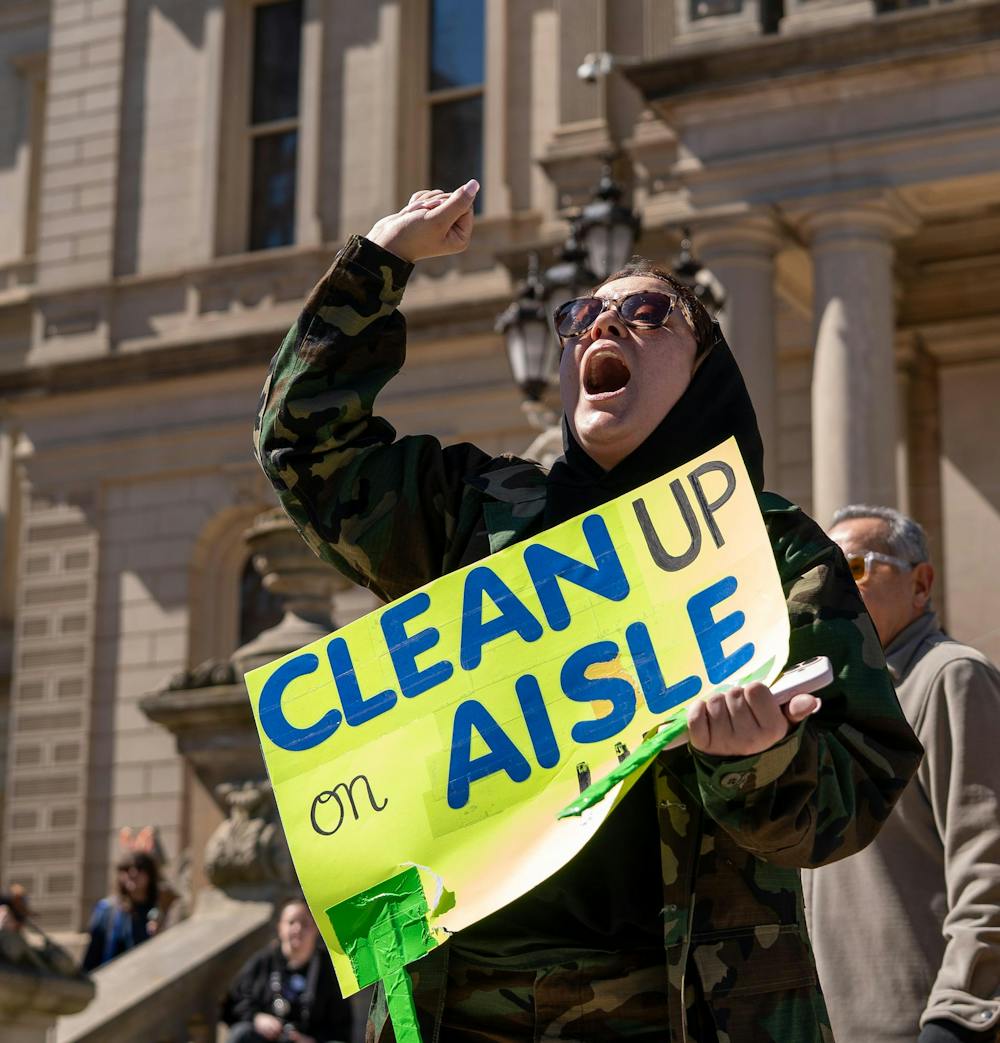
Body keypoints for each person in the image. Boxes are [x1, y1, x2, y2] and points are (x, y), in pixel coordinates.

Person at [254, 180, 923, 1041]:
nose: (600, 327)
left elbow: (855, 784)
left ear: (703, 369)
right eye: (577, 320)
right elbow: (303, 450)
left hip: (679, 1006)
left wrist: (757, 757)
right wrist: (378, 262)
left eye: (647, 312)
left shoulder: (772, 547)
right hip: (461, 1009)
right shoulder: (475, 516)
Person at [803, 505, 1000, 1043]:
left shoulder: (951, 677)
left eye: (857, 566)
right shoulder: (827, 700)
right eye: (822, 570)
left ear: (921, 583)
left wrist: (961, 1015)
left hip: (919, 1026)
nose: (835, 584)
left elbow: (989, 859)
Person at [221, 895, 354, 1043]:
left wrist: (311, 1040)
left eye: (305, 924)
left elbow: (341, 1025)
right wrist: (256, 1017)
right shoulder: (264, 962)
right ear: (280, 927)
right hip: (268, 1039)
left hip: (309, 1039)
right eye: (291, 922)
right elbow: (234, 1003)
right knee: (241, 1034)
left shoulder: (328, 968)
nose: (297, 929)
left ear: (316, 929)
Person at [81, 850, 161, 972]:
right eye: (126, 869)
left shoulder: (160, 910)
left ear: (150, 874)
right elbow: (92, 958)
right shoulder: (107, 910)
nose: (132, 873)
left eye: (139, 868)